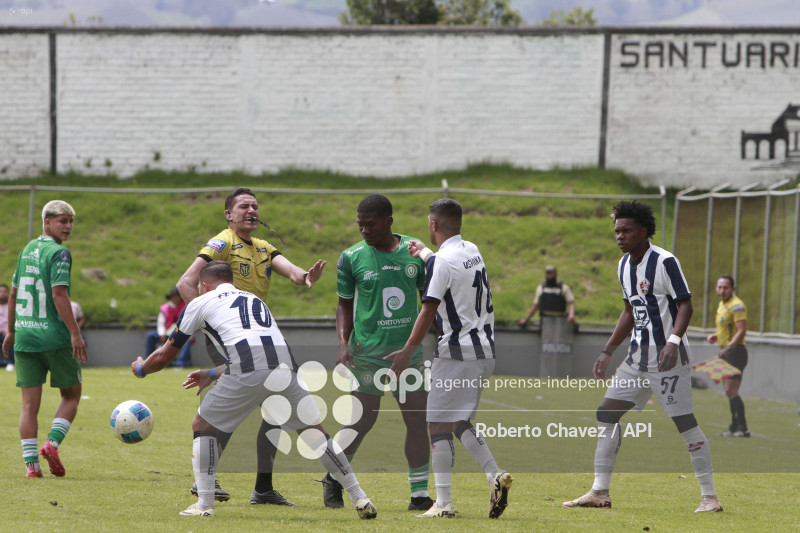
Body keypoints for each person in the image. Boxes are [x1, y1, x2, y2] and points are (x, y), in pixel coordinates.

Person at [132, 261, 377, 519]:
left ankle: (204, 503)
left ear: (203, 285)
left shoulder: (200, 302)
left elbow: (163, 356)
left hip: (246, 371)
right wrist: (212, 373)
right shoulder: (254, 299)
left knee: (202, 425)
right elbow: (258, 349)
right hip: (286, 371)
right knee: (316, 435)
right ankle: (359, 497)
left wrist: (140, 368)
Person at [562, 200, 722, 513]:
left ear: (644, 231)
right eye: (617, 231)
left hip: (667, 358)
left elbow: (685, 304)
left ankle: (710, 497)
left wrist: (673, 342)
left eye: (627, 230)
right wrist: (608, 350)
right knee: (606, 414)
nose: (620, 236)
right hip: (637, 358)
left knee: (685, 424)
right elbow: (629, 312)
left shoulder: (664, 261)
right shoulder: (623, 266)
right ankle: (599, 492)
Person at [177, 187, 326, 506]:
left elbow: (293, 272)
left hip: (262, 340)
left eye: (255, 206)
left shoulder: (263, 248)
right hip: (234, 340)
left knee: (277, 410)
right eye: (243, 206)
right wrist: (205, 318)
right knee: (236, 405)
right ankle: (208, 480)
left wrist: (306, 276)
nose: (251, 210)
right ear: (229, 215)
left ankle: (262, 488)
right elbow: (185, 282)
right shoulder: (222, 242)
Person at [385, 198, 513, 519]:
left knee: (437, 425)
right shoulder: (472, 250)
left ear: (433, 225)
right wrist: (425, 253)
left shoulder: (441, 262)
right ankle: (494, 475)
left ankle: (443, 504)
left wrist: (407, 351)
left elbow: (428, 311)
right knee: (458, 422)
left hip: (456, 352)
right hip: (484, 350)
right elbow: (446, 265)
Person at [328, 194, 432, 512]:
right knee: (361, 422)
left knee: (417, 422)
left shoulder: (417, 253)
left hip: (409, 354)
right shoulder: (350, 258)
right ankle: (334, 479)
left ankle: (418, 495)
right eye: (360, 225)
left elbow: (430, 304)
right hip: (368, 354)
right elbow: (344, 304)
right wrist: (343, 342)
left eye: (370, 224)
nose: (364, 231)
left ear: (389, 221)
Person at [2, 200, 88, 478]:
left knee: (29, 404)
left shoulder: (27, 249)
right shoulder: (59, 253)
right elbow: (59, 295)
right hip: (54, 337)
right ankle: (51, 443)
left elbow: (14, 293)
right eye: (63, 221)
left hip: (25, 337)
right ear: (47, 222)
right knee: (72, 394)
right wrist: (75, 333)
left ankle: (31, 466)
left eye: (71, 222)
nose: (68, 227)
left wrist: (12, 331)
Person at [707, 275, 749, 437]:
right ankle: (735, 426)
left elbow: (741, 330)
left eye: (725, 287)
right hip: (727, 351)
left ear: (733, 289)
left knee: (732, 390)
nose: (722, 290)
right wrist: (716, 336)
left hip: (736, 352)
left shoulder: (737, 306)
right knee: (729, 391)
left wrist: (729, 348)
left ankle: (742, 428)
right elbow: (728, 329)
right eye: (719, 287)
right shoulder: (722, 305)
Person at [145, 288, 192, 368]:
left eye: (177, 296)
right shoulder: (165, 308)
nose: (175, 299)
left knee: (188, 340)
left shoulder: (185, 307)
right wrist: (162, 334)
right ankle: (148, 361)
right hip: (166, 332)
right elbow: (161, 323)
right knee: (150, 336)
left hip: (180, 333)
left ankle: (181, 363)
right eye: (173, 297)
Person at [0, 283, 15, 371]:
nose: (3, 293)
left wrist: (9, 330)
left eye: (5, 291)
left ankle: (11, 363)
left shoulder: (12, 306)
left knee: (12, 337)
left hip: (7, 331)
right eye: (1, 291)